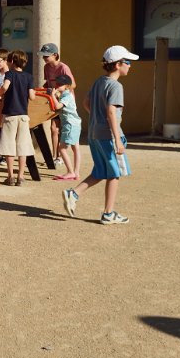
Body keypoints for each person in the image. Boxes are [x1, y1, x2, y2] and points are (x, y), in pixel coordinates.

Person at [62, 45, 138, 224]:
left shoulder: (99, 81)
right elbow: (112, 112)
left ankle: (73, 193)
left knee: (101, 171)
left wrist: (97, 119)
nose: (130, 65)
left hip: (95, 134)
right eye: (127, 62)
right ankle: (108, 213)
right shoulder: (116, 86)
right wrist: (117, 139)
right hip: (109, 136)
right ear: (118, 64)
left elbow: (86, 102)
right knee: (114, 173)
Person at [0, 50, 35, 186]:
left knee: (9, 146)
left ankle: (10, 176)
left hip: (10, 114)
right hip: (23, 115)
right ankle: (21, 177)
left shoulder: (10, 74)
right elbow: (32, 96)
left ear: (11, 62)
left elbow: (5, 87)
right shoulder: (29, 77)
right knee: (22, 146)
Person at [38, 43, 76, 166]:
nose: (44, 58)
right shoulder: (46, 67)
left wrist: (59, 91)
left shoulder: (64, 68)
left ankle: (63, 156)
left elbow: (73, 85)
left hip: (64, 102)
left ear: (55, 55)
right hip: (53, 100)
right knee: (53, 128)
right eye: (43, 56)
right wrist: (41, 89)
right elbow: (48, 83)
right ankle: (55, 156)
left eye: (46, 56)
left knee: (65, 130)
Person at [50, 74, 81, 180]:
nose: (57, 85)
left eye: (60, 84)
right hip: (75, 123)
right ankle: (76, 172)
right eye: (57, 83)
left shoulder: (67, 96)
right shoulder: (65, 95)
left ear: (67, 86)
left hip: (70, 124)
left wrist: (52, 95)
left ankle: (70, 172)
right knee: (75, 148)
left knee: (62, 149)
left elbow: (58, 106)